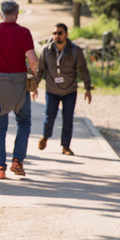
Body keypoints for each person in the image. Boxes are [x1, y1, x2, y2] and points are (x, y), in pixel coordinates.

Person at [0, 0, 38, 179]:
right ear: (17, 14)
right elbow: (33, 59)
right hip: (19, 83)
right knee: (24, 122)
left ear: (0, 14)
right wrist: (33, 72)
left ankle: (0, 167)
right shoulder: (24, 33)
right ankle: (18, 161)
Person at [35, 23, 92, 156]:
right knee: (49, 116)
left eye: (60, 33)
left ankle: (65, 146)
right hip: (52, 89)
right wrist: (35, 86)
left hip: (69, 91)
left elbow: (83, 69)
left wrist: (87, 88)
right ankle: (45, 136)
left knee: (68, 118)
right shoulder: (46, 49)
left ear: (66, 34)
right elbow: (40, 70)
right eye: (54, 33)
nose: (57, 36)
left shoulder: (75, 50)